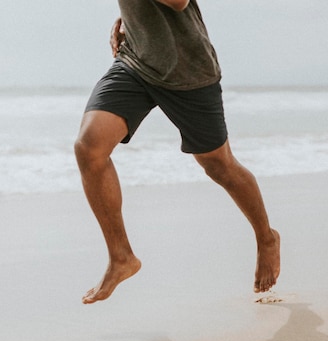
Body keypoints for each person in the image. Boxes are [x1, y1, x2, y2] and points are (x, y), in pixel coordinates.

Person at [74, 0, 281, 304]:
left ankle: (266, 237)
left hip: (189, 71)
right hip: (136, 63)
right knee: (89, 147)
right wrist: (132, 21)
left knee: (218, 165)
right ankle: (121, 257)